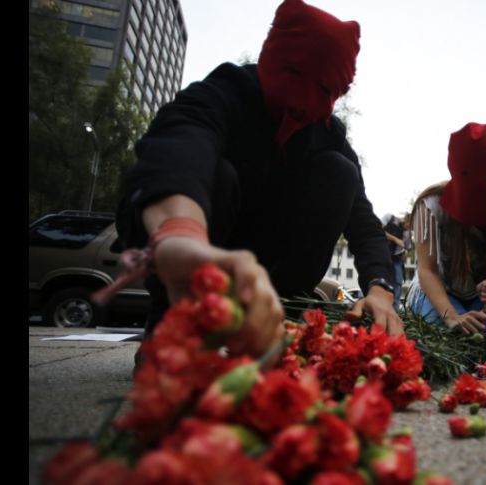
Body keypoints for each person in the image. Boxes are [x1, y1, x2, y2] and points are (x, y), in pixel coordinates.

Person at [115, 0, 403, 361]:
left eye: (326, 91)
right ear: (272, 59)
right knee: (215, 174)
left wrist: (380, 288)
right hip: (181, 239)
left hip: (264, 259)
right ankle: (173, 323)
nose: (307, 101)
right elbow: (179, 150)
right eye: (294, 74)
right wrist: (181, 233)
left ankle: (282, 317)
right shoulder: (224, 92)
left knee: (340, 172)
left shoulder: (327, 135)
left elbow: (363, 223)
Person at [405, 122, 486, 347]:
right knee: (440, 340)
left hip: (479, 298)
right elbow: (427, 270)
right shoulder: (431, 204)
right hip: (436, 290)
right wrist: (452, 316)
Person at [381, 213, 409, 311]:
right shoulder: (389, 218)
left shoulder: (406, 232)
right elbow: (378, 231)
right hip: (383, 255)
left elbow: (406, 246)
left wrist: (405, 252)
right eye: (408, 225)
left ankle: (394, 311)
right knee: (383, 282)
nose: (408, 228)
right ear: (405, 219)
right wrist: (395, 239)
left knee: (398, 283)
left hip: (397, 259)